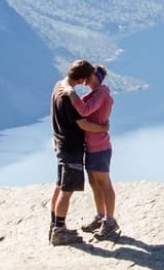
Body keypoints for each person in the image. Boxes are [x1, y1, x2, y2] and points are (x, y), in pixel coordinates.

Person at [46, 60, 99, 245]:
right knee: (66, 191)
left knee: (60, 186)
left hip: (61, 144)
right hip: (71, 149)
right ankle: (59, 232)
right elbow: (83, 124)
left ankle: (54, 225)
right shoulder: (68, 96)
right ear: (83, 78)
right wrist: (103, 128)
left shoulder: (58, 86)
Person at [68, 64, 119, 239]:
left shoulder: (101, 94)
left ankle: (110, 221)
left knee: (104, 183)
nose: (86, 79)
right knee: (94, 184)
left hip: (100, 147)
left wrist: (70, 92)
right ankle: (100, 216)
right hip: (90, 147)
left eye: (89, 76)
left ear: (97, 77)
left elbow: (85, 110)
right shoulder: (94, 94)